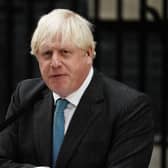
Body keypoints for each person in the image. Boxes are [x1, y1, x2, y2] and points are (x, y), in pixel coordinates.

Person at [0, 9, 154, 168]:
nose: (55, 63)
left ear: (88, 54)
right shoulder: (25, 95)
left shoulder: (129, 107)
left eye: (64, 52)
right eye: (46, 54)